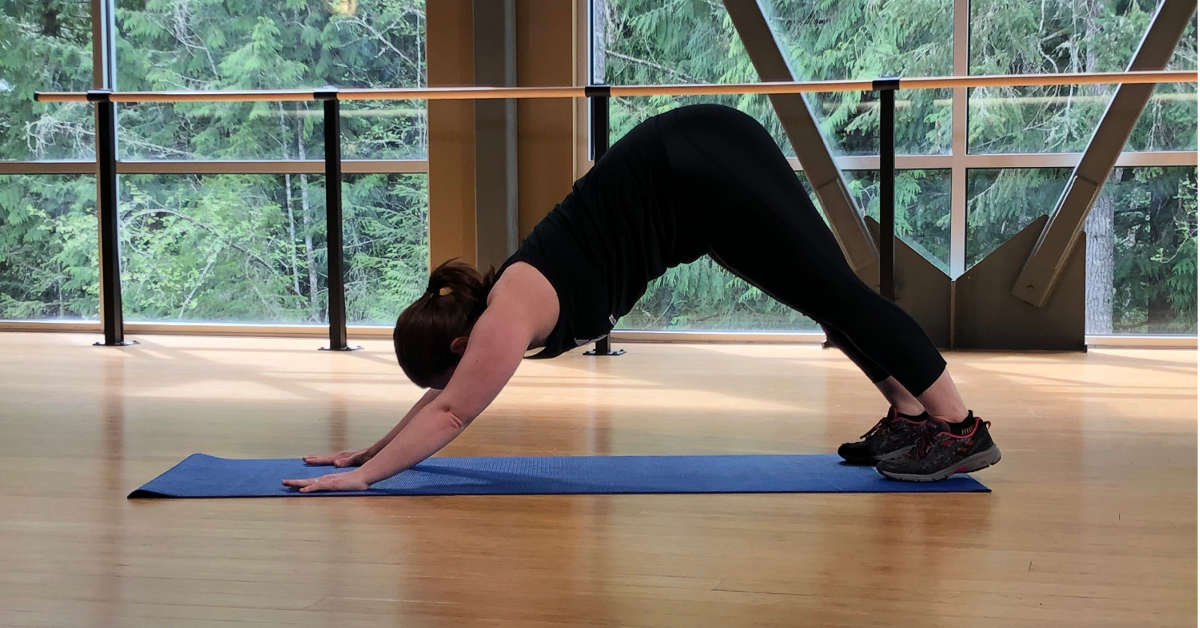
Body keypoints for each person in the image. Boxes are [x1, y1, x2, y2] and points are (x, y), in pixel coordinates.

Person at [283, 104, 1001, 493]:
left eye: (451, 367)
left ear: (462, 345)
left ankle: (958, 428)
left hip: (702, 160)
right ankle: (911, 415)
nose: (459, 378)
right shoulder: (486, 317)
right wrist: (366, 450)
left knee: (838, 291)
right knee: (826, 300)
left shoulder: (505, 317)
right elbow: (440, 394)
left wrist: (369, 478)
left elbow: (449, 408)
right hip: (696, 197)